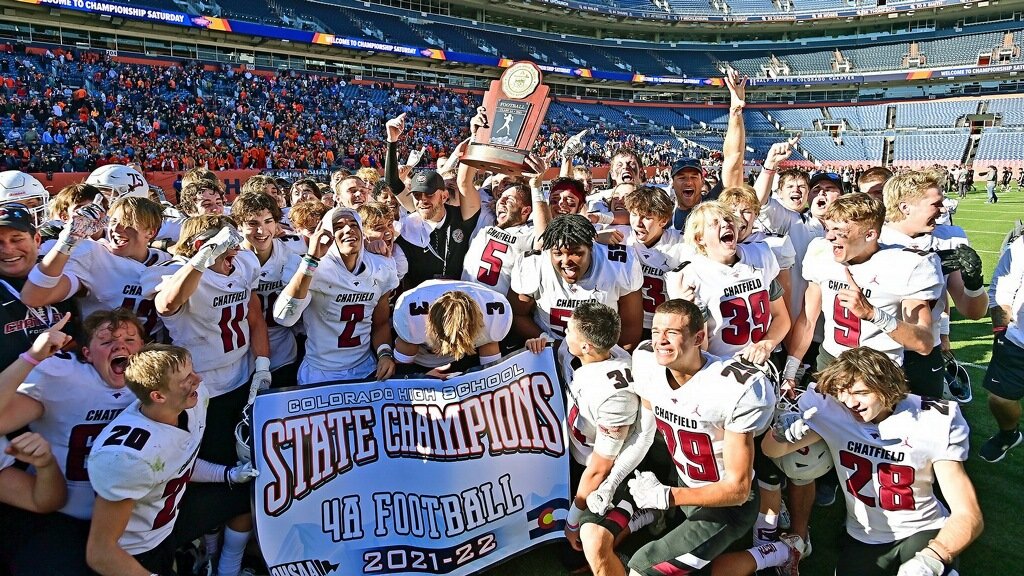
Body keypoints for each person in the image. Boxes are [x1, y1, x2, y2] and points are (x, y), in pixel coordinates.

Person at [762, 347, 983, 576]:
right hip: (863, 534)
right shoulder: (832, 410)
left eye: (861, 392)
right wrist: (780, 432)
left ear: (887, 386)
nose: (849, 402)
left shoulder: (931, 420)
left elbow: (968, 514)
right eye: (842, 392)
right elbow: (772, 451)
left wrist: (933, 557)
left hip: (923, 528)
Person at [625, 299, 799, 576]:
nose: (660, 340)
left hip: (727, 504)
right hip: (687, 485)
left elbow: (738, 489)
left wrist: (667, 497)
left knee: (644, 568)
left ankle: (781, 551)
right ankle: (775, 551)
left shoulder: (733, 388)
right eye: (656, 331)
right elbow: (645, 433)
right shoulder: (647, 363)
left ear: (699, 337)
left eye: (672, 332)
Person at [86, 344, 257, 576]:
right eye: (186, 379)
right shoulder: (126, 457)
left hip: (170, 520)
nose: (198, 379)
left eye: (192, 371)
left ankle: (219, 566)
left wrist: (226, 474)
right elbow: (101, 552)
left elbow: (177, 463)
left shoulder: (193, 402)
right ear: (158, 395)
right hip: (140, 549)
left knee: (245, 496)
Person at [784, 193, 943, 388]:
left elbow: (924, 343)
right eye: (828, 228)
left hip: (877, 369)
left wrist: (873, 314)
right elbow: (808, 319)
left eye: (839, 231)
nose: (829, 236)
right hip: (830, 359)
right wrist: (790, 371)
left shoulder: (907, 264)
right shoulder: (820, 252)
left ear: (869, 235)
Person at [879, 171, 988, 397]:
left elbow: (973, 311)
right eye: (935, 204)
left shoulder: (948, 238)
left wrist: (974, 282)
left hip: (927, 345)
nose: (942, 209)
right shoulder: (876, 240)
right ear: (905, 207)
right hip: (881, 346)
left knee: (925, 417)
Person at [273, 207, 399, 384]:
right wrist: (311, 260)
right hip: (320, 371)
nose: (348, 229)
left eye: (354, 224)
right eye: (338, 226)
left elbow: (380, 324)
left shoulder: (380, 267)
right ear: (326, 234)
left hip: (366, 368)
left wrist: (385, 354)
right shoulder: (309, 267)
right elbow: (284, 317)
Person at [22, 196, 170, 340]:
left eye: (128, 223)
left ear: (151, 232)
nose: (117, 229)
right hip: (103, 355)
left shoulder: (167, 261)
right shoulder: (93, 254)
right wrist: (67, 242)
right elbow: (35, 297)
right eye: (114, 221)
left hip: (153, 354)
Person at [667, 201, 790, 363]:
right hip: (720, 368)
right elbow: (699, 351)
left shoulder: (760, 255)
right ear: (699, 238)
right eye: (715, 223)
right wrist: (691, 311)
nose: (726, 224)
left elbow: (782, 317)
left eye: (728, 219)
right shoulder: (689, 277)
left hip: (763, 362)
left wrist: (766, 344)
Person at [510, 214, 643, 350]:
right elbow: (517, 315)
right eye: (558, 253)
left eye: (576, 253)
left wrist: (606, 356)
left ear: (591, 248)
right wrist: (550, 342)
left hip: (602, 353)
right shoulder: (534, 265)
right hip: (548, 349)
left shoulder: (618, 266)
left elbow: (630, 326)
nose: (566, 261)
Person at [233, 192, 305, 387]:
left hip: (283, 350)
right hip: (241, 355)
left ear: (277, 223)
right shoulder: (231, 259)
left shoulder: (292, 254)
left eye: (268, 221)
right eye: (252, 223)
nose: (261, 230)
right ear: (239, 225)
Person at [392, 279, 511, 376]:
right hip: (421, 359)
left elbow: (492, 373)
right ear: (430, 322)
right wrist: (423, 379)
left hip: (464, 357)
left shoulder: (494, 313)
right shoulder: (411, 315)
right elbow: (401, 376)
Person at [980, 231, 1024, 462]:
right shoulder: (1022, 245)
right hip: (1018, 341)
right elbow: (1001, 287)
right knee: (1000, 399)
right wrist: (1000, 332)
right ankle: (1009, 433)